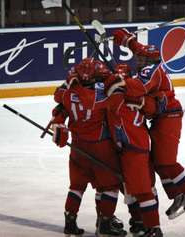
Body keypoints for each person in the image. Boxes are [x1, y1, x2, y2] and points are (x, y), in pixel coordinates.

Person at [108, 28, 185, 220]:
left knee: (167, 161)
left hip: (169, 118)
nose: (139, 61)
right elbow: (141, 50)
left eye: (143, 59)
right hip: (162, 118)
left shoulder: (151, 69)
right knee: (157, 161)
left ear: (149, 61)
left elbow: (138, 87)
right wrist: (126, 39)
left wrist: (121, 82)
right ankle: (177, 194)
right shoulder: (152, 64)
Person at [51, 57, 127, 236]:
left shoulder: (67, 95)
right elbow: (120, 91)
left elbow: (57, 95)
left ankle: (70, 223)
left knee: (76, 186)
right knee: (108, 187)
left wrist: (71, 82)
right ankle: (105, 226)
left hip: (78, 148)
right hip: (102, 148)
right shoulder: (102, 96)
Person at [103, 65, 163, 237]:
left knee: (140, 190)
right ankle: (140, 223)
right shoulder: (140, 95)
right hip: (143, 146)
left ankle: (153, 228)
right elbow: (153, 109)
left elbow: (113, 124)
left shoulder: (113, 101)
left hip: (131, 150)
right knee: (142, 188)